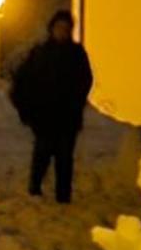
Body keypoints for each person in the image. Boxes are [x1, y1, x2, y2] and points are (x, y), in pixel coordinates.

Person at [10, 11, 93, 204]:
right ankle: (35, 188)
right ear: (52, 29)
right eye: (58, 28)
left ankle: (63, 195)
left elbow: (85, 81)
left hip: (67, 116)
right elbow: (23, 81)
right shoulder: (40, 53)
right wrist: (27, 108)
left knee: (65, 157)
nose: (61, 32)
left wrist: (76, 102)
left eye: (65, 29)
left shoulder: (76, 54)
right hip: (44, 116)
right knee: (42, 153)